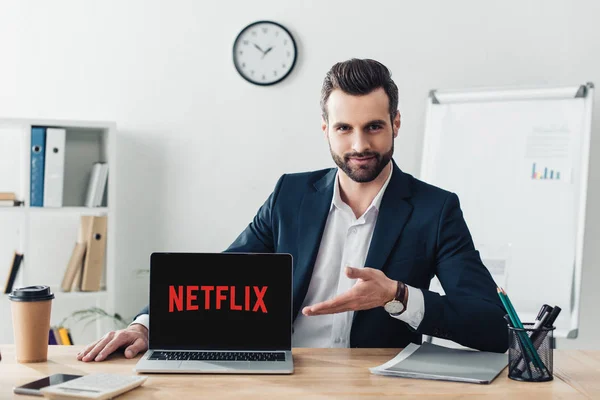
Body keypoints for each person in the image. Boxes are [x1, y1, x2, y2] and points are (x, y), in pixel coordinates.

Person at [77, 58, 508, 363]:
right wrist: (146, 326)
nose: (359, 145)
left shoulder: (436, 209)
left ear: (396, 123)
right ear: (326, 129)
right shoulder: (291, 195)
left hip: (377, 382)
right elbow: (219, 277)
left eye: (373, 126)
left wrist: (397, 296)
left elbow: (490, 326)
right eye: (344, 128)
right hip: (287, 373)